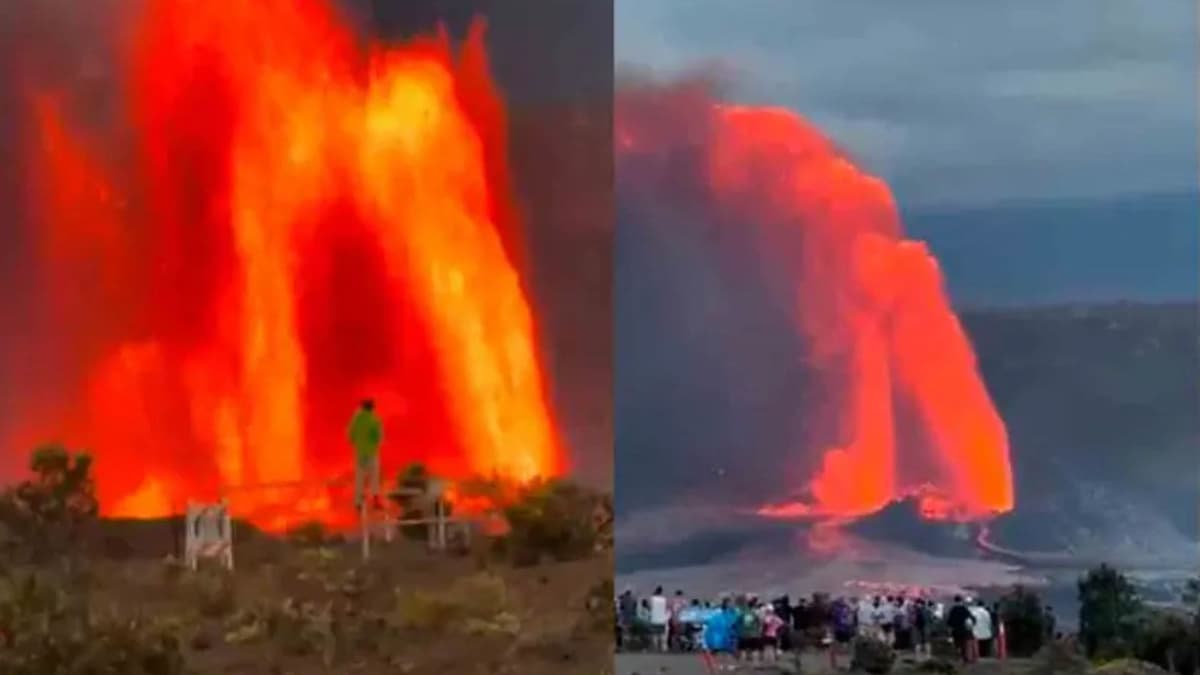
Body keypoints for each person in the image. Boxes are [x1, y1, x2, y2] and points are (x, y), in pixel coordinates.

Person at [347, 399, 383, 510]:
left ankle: (358, 502)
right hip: (371, 453)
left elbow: (350, 435)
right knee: (374, 477)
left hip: (360, 454)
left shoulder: (356, 420)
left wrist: (358, 444)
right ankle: (375, 501)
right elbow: (378, 438)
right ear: (372, 408)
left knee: (359, 478)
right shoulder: (374, 420)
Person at [946, 595, 975, 663]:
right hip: (964, 629)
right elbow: (972, 619)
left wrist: (949, 631)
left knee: (957, 644)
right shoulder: (965, 609)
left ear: (954, 601)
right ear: (961, 601)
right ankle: (965, 657)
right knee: (964, 644)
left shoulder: (952, 610)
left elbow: (949, 622)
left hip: (955, 630)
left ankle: (959, 657)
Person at [649, 586, 670, 652]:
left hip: (654, 619)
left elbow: (650, 607)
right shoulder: (664, 599)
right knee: (663, 635)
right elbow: (667, 609)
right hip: (662, 620)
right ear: (661, 592)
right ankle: (664, 648)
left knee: (655, 635)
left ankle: (655, 648)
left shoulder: (652, 598)